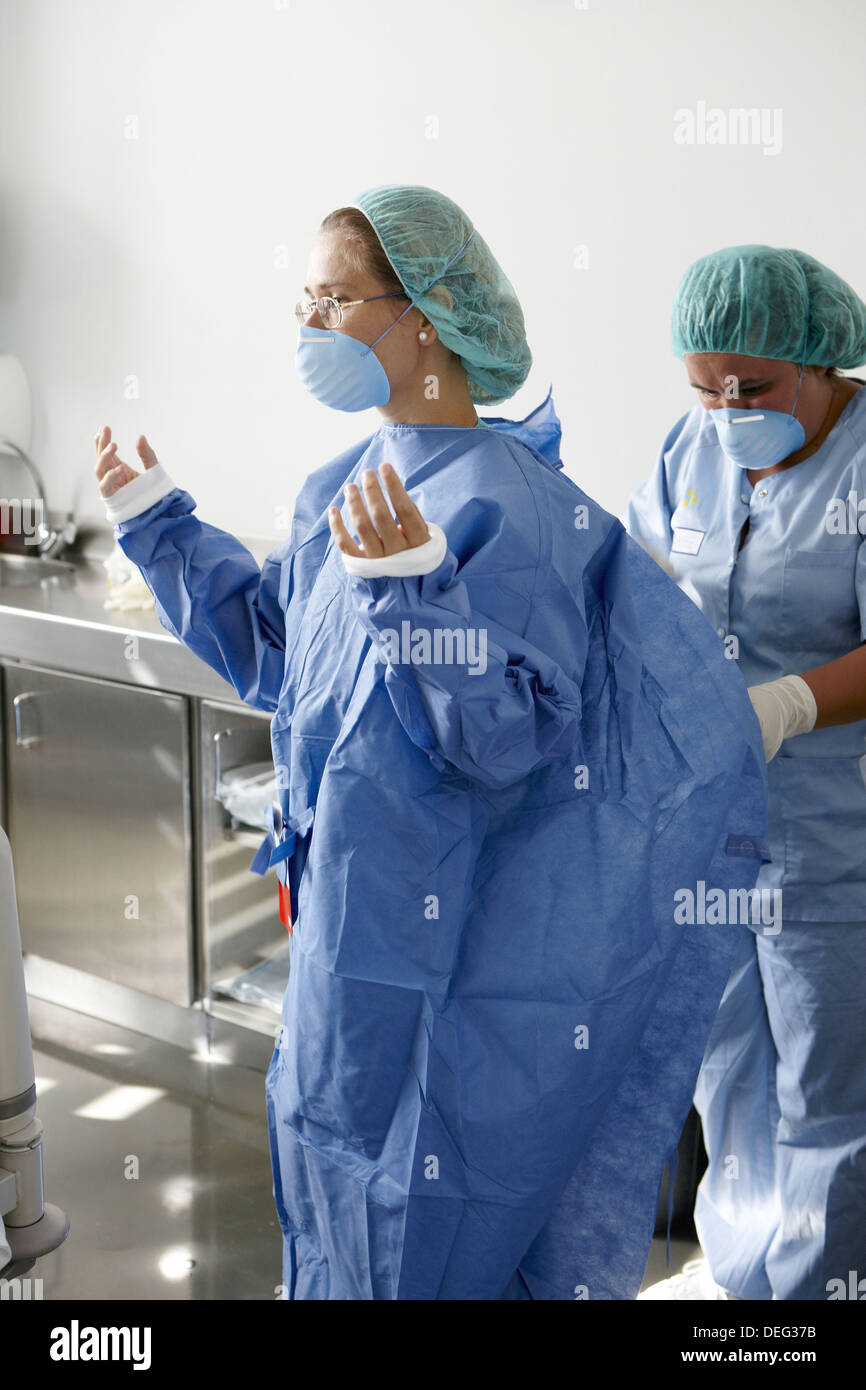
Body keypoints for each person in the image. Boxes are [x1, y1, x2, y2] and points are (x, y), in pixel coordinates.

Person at [94, 186, 767, 1300]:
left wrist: (420, 603)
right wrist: (159, 522)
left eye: (333, 300)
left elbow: (503, 742)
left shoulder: (515, 510)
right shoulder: (345, 487)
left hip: (452, 961)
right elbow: (273, 649)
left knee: (426, 1220)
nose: (310, 327)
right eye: (301, 301)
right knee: (329, 1191)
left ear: (424, 316)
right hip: (340, 950)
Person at [629, 245, 866, 1301]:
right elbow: (634, 566)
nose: (726, 408)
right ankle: (742, 1295)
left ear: (819, 359)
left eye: (753, 387)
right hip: (711, 834)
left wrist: (788, 702)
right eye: (703, 386)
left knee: (825, 1099)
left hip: (833, 842)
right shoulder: (695, 444)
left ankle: (816, 1300)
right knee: (723, 1074)